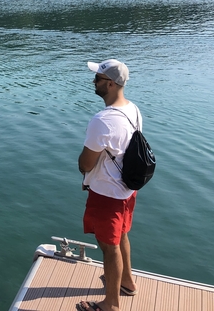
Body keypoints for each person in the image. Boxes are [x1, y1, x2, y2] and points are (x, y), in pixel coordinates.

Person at [77, 59, 141, 311]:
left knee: (108, 245)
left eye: (98, 79)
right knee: (121, 234)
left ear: (111, 84)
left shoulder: (102, 120)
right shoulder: (133, 109)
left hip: (107, 194)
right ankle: (127, 282)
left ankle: (111, 304)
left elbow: (86, 162)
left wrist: (84, 173)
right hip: (126, 189)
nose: (94, 82)